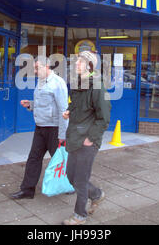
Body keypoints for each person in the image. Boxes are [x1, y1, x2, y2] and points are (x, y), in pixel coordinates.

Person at [62, 50, 111, 225]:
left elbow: (104, 117)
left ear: (89, 65)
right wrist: (69, 111)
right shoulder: (77, 84)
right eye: (76, 61)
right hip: (75, 137)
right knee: (70, 176)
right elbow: (78, 106)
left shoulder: (98, 86)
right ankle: (97, 194)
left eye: (80, 62)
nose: (76, 64)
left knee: (81, 180)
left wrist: (91, 139)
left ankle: (79, 216)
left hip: (87, 141)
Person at [9, 56, 69, 199]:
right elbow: (44, 104)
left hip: (54, 129)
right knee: (33, 158)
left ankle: (71, 184)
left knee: (61, 160)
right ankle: (27, 190)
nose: (35, 71)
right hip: (40, 127)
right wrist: (30, 104)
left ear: (46, 67)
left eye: (37, 68)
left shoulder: (58, 83)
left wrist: (63, 135)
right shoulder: (41, 82)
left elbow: (64, 111)